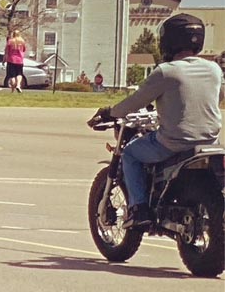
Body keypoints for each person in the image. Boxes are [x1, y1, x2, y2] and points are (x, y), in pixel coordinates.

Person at [95, 14, 223, 226]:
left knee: (130, 153)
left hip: (173, 142)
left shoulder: (165, 71)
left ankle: (140, 209)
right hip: (210, 143)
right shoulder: (213, 69)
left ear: (168, 40)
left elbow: (135, 102)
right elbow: (216, 97)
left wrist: (111, 112)